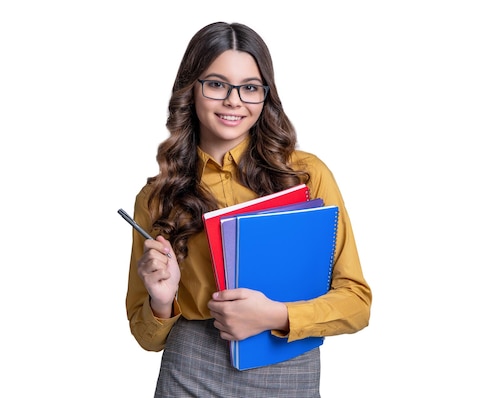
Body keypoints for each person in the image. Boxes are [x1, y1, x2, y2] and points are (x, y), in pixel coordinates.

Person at [125, 21, 372, 397]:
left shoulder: (305, 176)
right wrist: (161, 301)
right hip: (190, 367)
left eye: (250, 87)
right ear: (191, 89)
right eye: (217, 84)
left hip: (287, 365)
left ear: (265, 95)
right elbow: (146, 337)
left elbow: (357, 303)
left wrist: (276, 315)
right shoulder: (157, 196)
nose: (234, 101)